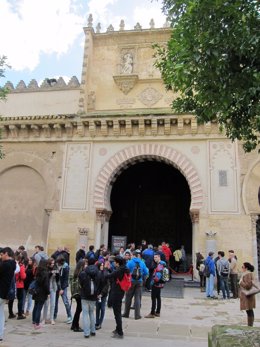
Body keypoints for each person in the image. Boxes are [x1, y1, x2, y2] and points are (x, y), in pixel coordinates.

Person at [105, 255, 129, 339]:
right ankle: (117, 328)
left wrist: (105, 269)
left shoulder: (119, 270)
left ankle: (120, 332)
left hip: (116, 293)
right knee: (117, 312)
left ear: (118, 263)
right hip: (120, 292)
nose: (114, 263)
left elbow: (108, 276)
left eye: (115, 262)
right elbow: (114, 273)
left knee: (117, 313)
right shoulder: (124, 268)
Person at [79, 257, 102, 338]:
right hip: (94, 295)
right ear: (95, 262)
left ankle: (86, 333)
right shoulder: (98, 272)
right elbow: (100, 283)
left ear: (88, 262)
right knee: (91, 313)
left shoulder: (83, 272)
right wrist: (98, 292)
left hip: (85, 295)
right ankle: (93, 331)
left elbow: (81, 283)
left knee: (85, 314)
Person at [122, 250, 148, 320]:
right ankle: (137, 315)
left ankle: (126, 313)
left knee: (128, 298)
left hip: (131, 282)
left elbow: (125, 271)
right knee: (137, 298)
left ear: (133, 255)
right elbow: (146, 272)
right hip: (139, 282)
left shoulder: (130, 262)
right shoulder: (142, 262)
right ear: (138, 256)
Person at [0, 247, 16, 342]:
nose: (1, 257)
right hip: (4, 294)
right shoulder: (13, 263)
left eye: (2, 255)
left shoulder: (5, 265)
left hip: (1, 292)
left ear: (6, 253)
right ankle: (0, 335)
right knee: (1, 314)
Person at [145, 252, 166, 318]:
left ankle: (152, 313)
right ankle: (158, 312)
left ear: (159, 257)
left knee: (153, 298)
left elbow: (158, 275)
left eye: (156, 257)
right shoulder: (162, 264)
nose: (155, 259)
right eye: (154, 257)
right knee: (158, 297)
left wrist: (153, 282)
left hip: (156, 284)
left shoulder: (160, 265)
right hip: (160, 284)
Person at [32, 259, 50, 329]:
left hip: (37, 290)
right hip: (42, 292)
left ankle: (34, 321)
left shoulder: (38, 271)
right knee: (39, 307)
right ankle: (37, 323)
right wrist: (48, 292)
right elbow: (46, 284)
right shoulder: (45, 272)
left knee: (36, 306)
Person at [54, 255, 72, 323]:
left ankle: (69, 316)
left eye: (58, 263)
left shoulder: (65, 267)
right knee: (55, 302)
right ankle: (54, 315)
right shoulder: (56, 266)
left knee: (66, 302)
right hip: (56, 286)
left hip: (63, 287)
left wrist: (62, 289)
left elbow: (65, 279)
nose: (57, 264)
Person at [42, 258, 60, 325]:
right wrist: (50, 273)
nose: (53, 264)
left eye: (53, 263)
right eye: (51, 263)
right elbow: (45, 278)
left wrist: (57, 274)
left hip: (54, 288)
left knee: (53, 304)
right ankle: (44, 318)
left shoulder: (55, 268)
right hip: (47, 288)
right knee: (46, 304)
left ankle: (51, 318)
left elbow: (58, 280)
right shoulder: (46, 269)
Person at [71, 259, 85, 332]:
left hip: (76, 293)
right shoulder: (81, 273)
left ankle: (74, 325)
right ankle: (76, 326)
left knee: (78, 310)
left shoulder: (76, 272)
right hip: (80, 293)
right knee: (79, 310)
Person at [239, 262, 256, 326]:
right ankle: (250, 325)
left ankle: (250, 325)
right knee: (249, 310)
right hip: (248, 295)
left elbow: (248, 286)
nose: (242, 268)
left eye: (242, 267)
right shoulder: (247, 274)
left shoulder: (247, 274)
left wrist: (241, 282)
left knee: (249, 311)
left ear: (246, 268)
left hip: (248, 295)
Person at [96, 261, 109, 330]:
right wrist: (97, 294)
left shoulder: (105, 273)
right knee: (97, 308)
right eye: (101, 265)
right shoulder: (96, 274)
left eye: (102, 265)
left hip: (103, 294)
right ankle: (97, 322)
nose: (102, 266)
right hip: (97, 294)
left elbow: (107, 285)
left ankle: (100, 323)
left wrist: (101, 294)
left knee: (102, 308)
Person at [15, 253, 27, 319]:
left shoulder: (16, 265)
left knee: (19, 299)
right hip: (20, 284)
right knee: (20, 300)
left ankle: (19, 313)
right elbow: (23, 276)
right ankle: (20, 314)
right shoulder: (21, 266)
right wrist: (25, 274)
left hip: (16, 283)